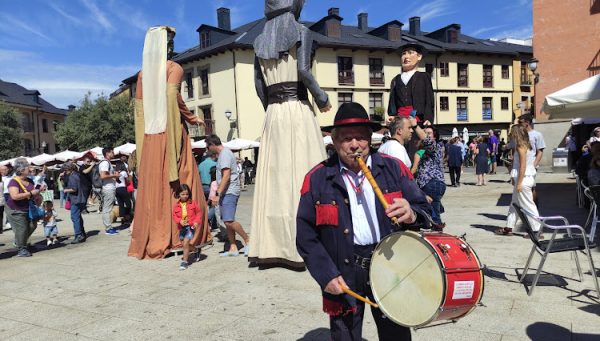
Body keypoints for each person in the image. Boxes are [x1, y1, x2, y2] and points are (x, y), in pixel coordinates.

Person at [296, 102, 431, 341]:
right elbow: (305, 235)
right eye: (347, 138)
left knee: (396, 333)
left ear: (370, 139)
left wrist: (412, 213)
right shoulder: (317, 178)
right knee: (344, 333)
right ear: (335, 142)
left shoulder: (393, 168)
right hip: (343, 268)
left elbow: (426, 211)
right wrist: (325, 274)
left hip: (390, 265)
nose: (355, 145)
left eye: (360, 137)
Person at [249, 0, 331, 269]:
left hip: (273, 114)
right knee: (304, 174)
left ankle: (271, 246)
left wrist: (271, 111)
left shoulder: (259, 42)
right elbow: (304, 71)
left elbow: (259, 86)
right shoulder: (302, 32)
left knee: (275, 181)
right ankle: (307, 243)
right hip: (296, 109)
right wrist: (321, 99)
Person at [128, 26, 211, 259]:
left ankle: (154, 235)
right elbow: (173, 97)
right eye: (169, 43)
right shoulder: (174, 68)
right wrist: (193, 118)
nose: (172, 47)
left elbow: (140, 110)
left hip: (150, 138)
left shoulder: (143, 74)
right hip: (170, 134)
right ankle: (181, 236)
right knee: (182, 178)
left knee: (155, 185)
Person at [388, 42, 434, 159]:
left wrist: (428, 117)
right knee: (398, 146)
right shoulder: (396, 79)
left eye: (410, 53)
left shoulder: (423, 76)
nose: (406, 57)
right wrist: (392, 114)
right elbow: (392, 99)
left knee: (416, 148)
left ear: (419, 57)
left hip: (417, 119)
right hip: (400, 119)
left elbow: (429, 98)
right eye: (403, 54)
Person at [206, 135, 250, 257]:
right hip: (227, 191)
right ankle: (233, 247)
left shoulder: (225, 154)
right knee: (226, 220)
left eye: (208, 146)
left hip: (229, 191)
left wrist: (217, 194)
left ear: (212, 144)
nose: (207, 149)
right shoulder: (223, 154)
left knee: (229, 220)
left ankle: (248, 240)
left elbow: (226, 175)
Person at [498, 125, 541, 236]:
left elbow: (522, 166)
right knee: (515, 204)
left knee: (528, 205)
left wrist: (519, 183)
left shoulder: (520, 147)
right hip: (525, 178)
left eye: (511, 133)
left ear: (516, 134)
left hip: (524, 179)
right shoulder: (526, 145)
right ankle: (509, 227)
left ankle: (536, 230)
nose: (510, 134)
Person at [6, 158, 42, 257]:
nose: (30, 169)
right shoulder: (13, 182)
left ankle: (20, 241)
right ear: (21, 170)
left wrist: (38, 193)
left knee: (33, 225)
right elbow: (14, 196)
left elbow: (34, 192)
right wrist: (30, 193)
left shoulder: (29, 180)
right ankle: (21, 249)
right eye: (28, 168)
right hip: (15, 209)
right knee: (22, 229)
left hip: (28, 208)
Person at [414, 123, 446, 230]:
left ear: (435, 136)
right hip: (432, 184)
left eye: (429, 133)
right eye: (425, 133)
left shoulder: (435, 146)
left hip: (432, 183)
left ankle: (437, 235)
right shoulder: (430, 150)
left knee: (434, 217)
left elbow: (427, 141)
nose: (426, 135)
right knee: (431, 212)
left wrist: (415, 126)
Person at [172, 184, 202, 270]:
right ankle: (196, 250)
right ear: (178, 194)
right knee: (185, 244)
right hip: (182, 228)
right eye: (183, 194)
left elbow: (199, 213)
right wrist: (179, 221)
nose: (185, 196)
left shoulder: (193, 203)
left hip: (191, 226)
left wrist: (196, 221)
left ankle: (184, 262)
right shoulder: (176, 206)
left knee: (185, 243)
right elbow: (174, 216)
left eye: (187, 194)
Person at [518, 114, 545, 205]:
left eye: (520, 122)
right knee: (521, 187)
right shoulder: (520, 135)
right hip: (520, 166)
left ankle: (535, 209)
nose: (519, 124)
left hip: (530, 166)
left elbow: (540, 151)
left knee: (531, 187)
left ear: (527, 123)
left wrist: (534, 165)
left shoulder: (537, 135)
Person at [63, 163, 89, 244]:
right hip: (80, 198)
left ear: (69, 169)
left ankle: (78, 235)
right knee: (78, 217)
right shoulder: (77, 175)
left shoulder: (72, 176)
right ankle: (82, 233)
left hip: (76, 199)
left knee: (74, 217)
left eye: (65, 170)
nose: (65, 172)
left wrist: (66, 190)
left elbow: (74, 189)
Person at [99, 148, 120, 235]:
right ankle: (108, 228)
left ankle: (109, 227)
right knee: (107, 209)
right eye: (112, 152)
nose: (113, 153)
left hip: (109, 187)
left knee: (107, 208)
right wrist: (114, 175)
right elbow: (103, 176)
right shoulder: (105, 163)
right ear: (107, 153)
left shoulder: (106, 163)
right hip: (108, 188)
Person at [0, 165, 7, 233]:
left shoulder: (4, 180)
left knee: (1, 216)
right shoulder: (2, 181)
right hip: (2, 200)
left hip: (2, 201)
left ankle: (1, 228)